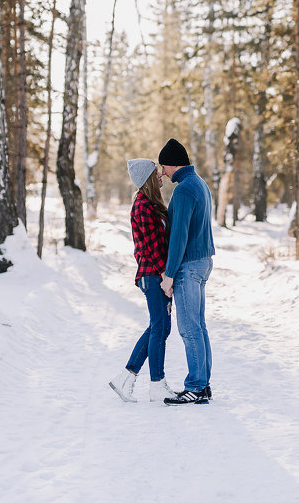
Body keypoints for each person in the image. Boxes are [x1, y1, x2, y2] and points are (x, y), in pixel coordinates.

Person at [109, 158, 177, 403]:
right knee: (159, 327)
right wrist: (165, 279)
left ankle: (126, 378)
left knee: (160, 327)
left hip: (155, 274)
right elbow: (152, 248)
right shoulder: (142, 207)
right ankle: (156, 384)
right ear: (147, 178)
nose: (161, 175)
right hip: (152, 275)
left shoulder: (151, 204)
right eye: (156, 172)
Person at [157, 138, 215, 405]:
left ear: (172, 164)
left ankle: (196, 386)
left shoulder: (182, 191)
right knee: (199, 326)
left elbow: (178, 236)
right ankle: (202, 384)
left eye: (163, 166)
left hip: (189, 265)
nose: (163, 172)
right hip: (203, 261)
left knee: (189, 328)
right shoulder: (199, 184)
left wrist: (169, 275)